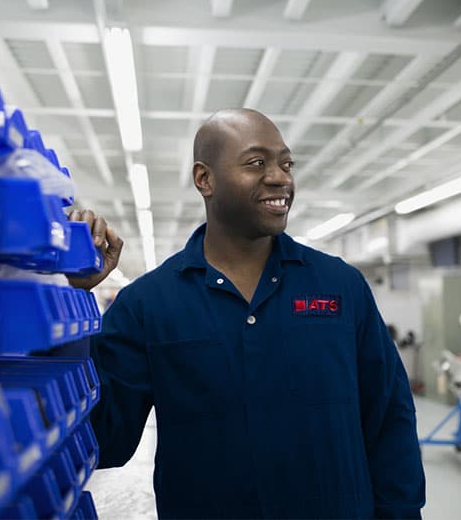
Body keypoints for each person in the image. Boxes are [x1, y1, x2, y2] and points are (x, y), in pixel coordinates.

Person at [78, 108, 425, 519]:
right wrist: (72, 298)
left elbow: (389, 418)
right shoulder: (147, 304)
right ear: (205, 179)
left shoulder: (340, 287)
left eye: (286, 163)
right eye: (257, 163)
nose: (281, 177)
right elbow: (102, 438)